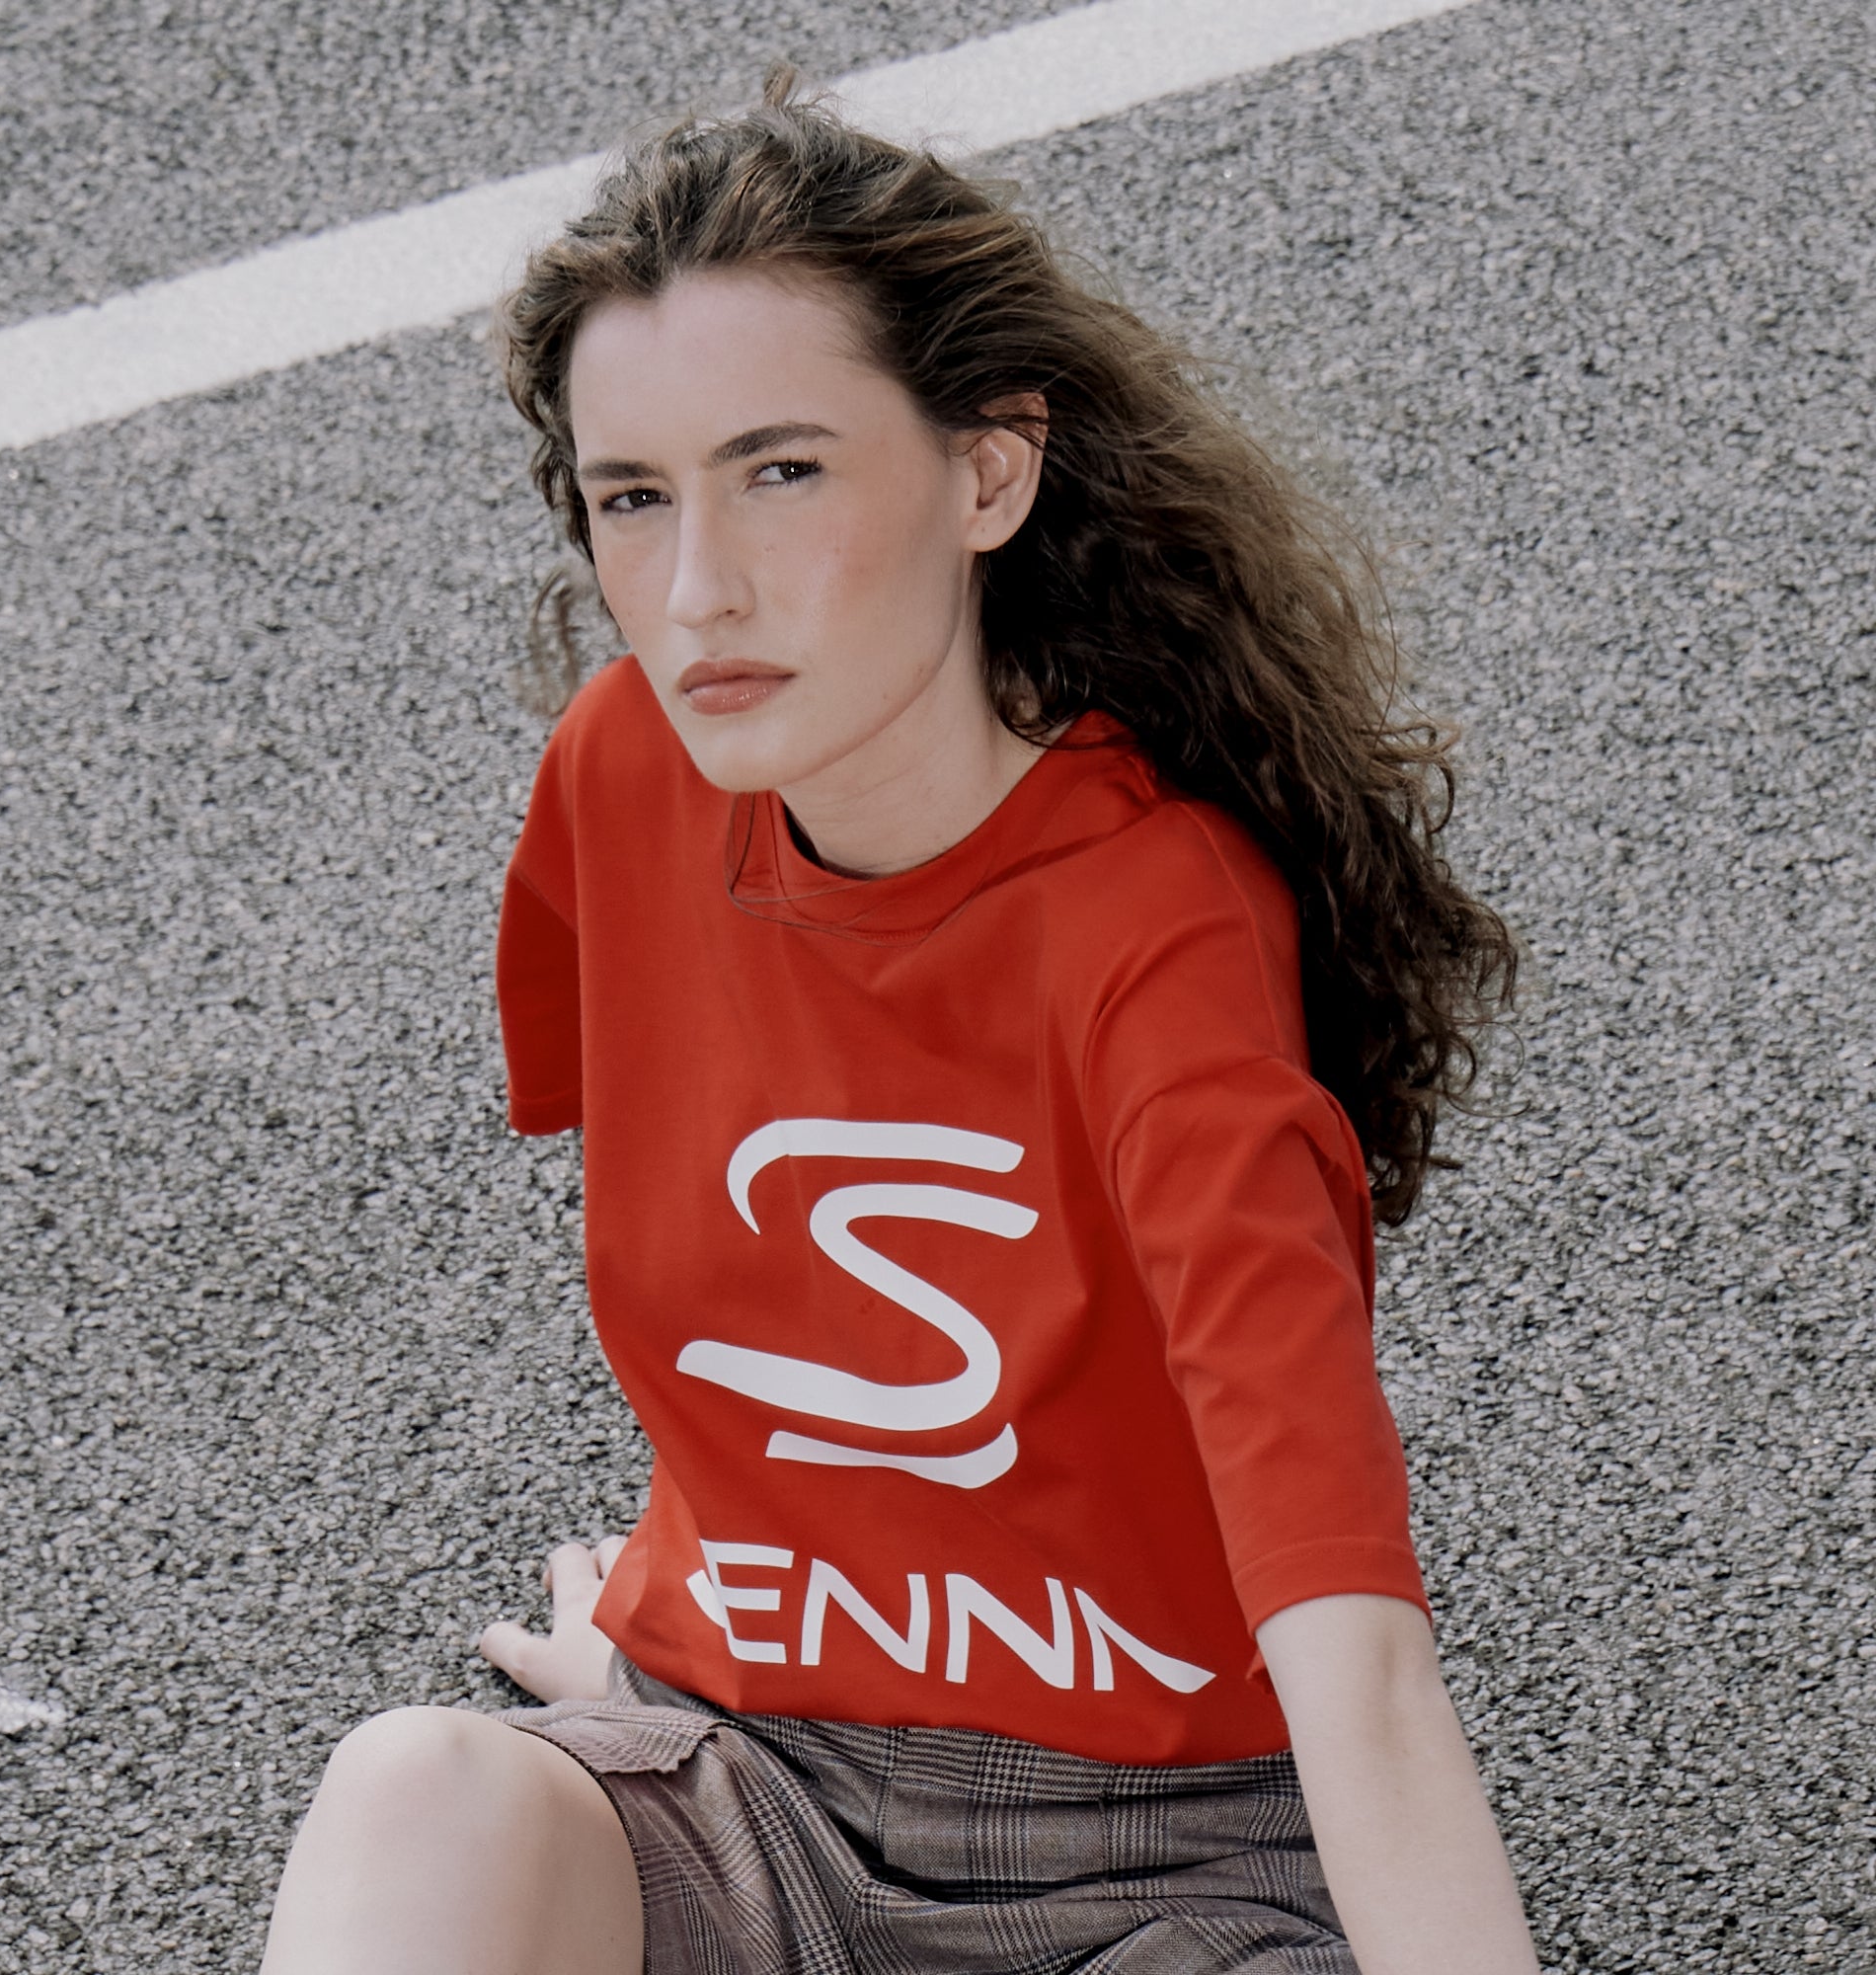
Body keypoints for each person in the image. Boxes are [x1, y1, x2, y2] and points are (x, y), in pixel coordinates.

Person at [261, 65, 1538, 1975]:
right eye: (633, 496)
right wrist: (698, 1612)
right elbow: (763, 1269)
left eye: (783, 469)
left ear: (987, 473)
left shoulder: (1155, 929)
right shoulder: (620, 778)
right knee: (416, 1794)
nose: (698, 592)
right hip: (758, 1780)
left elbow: (1352, 1661)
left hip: (1161, 1864)